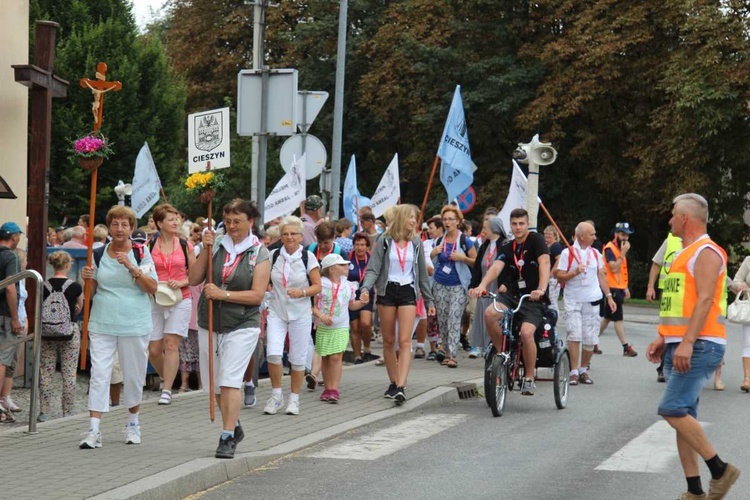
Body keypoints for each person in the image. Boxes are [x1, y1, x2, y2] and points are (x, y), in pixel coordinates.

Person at [646, 193, 740, 499]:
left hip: (701, 344)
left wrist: (686, 343)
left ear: (685, 218)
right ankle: (694, 491)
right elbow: (679, 302)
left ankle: (720, 470)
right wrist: (665, 337)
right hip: (681, 343)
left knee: (672, 409)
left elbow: (705, 300)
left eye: (673, 215)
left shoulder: (707, 252)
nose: (670, 220)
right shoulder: (683, 253)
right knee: (684, 419)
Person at [189, 199, 270, 459]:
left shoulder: (260, 253)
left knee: (229, 380)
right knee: (213, 387)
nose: (233, 226)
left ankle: (226, 438)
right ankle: (234, 425)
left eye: (238, 221)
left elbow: (257, 296)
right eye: (229, 221)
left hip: (242, 323)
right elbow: (193, 279)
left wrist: (222, 294)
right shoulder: (215, 245)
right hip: (210, 321)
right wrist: (206, 248)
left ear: (251, 222)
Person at [79, 206, 158, 449]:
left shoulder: (141, 252)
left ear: (132, 228)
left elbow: (152, 287)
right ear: (109, 227)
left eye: (125, 225)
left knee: (133, 375)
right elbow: (90, 293)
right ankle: (94, 429)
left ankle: (133, 423)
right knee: (99, 374)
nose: (120, 229)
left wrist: (132, 268)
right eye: (115, 224)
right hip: (103, 321)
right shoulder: (99, 254)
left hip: (134, 323)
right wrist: (87, 279)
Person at [469, 208, 550, 396]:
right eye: (514, 224)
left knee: (526, 332)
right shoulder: (508, 245)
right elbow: (496, 267)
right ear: (510, 225)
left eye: (521, 223)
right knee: (489, 314)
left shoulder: (536, 240)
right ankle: (502, 354)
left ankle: (529, 377)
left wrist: (542, 289)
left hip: (533, 297)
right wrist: (482, 285)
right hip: (513, 295)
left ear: (527, 223)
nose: (518, 227)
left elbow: (545, 263)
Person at [360, 204, 435, 404]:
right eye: (411, 217)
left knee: (404, 341)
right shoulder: (384, 241)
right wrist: (365, 288)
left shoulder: (416, 242)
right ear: (401, 218)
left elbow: (421, 275)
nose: (414, 221)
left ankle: (401, 386)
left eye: (415, 218)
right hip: (387, 291)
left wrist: (429, 300)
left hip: (408, 291)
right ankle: (393, 382)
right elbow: (373, 269)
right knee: (388, 341)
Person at [263, 216, 322, 416]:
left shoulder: (308, 257)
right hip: (277, 311)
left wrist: (302, 292)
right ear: (280, 236)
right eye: (285, 234)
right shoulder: (273, 256)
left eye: (293, 234)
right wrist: (267, 290)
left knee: (297, 359)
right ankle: (276, 394)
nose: (289, 237)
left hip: (300, 313)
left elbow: (317, 286)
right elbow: (265, 279)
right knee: (273, 353)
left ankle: (294, 399)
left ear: (300, 236)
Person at [554, 222, 617, 385]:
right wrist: (575, 272)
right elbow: (559, 276)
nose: (595, 237)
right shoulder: (567, 253)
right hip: (573, 300)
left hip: (592, 300)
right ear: (582, 236)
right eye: (592, 234)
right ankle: (573, 371)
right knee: (574, 335)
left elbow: (602, 276)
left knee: (590, 339)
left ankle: (583, 370)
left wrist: (609, 296)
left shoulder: (596, 254)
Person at [147, 203, 197, 406]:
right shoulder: (149, 245)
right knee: (154, 350)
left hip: (180, 297)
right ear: (159, 223)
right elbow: (143, 270)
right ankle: (170, 374)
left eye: (177, 218)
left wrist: (183, 281)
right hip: (156, 298)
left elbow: (194, 275)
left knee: (171, 344)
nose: (176, 222)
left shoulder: (186, 245)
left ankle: (166, 389)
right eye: (171, 219)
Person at [313, 254, 367, 403]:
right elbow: (312, 306)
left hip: (341, 326)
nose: (346, 268)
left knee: (336, 356)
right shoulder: (320, 284)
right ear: (331, 269)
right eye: (342, 265)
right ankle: (327, 388)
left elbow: (352, 305)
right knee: (326, 356)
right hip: (325, 327)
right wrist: (321, 316)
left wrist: (362, 303)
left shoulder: (348, 285)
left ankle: (334, 389)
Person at [38, 251, 83, 422]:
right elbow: (79, 307)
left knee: (46, 372)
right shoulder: (75, 286)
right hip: (69, 333)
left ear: (53, 265)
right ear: (68, 265)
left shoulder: (43, 285)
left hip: (47, 334)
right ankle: (67, 411)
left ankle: (44, 411)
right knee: (69, 373)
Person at [429, 205, 477, 368]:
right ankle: (446, 352)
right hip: (440, 284)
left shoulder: (465, 240)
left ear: (458, 222)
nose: (447, 222)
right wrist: (433, 253)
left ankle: (453, 355)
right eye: (445, 219)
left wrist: (462, 258)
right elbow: (430, 262)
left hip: (458, 284)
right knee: (442, 320)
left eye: (451, 219)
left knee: (454, 318)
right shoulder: (438, 241)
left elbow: (475, 261)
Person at [647, 232, 683, 383]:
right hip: (668, 292)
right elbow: (657, 263)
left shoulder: (698, 242)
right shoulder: (670, 241)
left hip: (686, 293)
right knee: (666, 329)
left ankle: (679, 366)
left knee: (683, 330)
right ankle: (663, 367)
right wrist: (650, 287)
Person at [468, 216, 505, 359]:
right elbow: (478, 268)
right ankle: (480, 345)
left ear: (494, 229)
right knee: (481, 315)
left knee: (495, 317)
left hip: (498, 287)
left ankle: (495, 345)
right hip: (484, 287)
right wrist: (473, 285)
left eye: (485, 228)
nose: (482, 231)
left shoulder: (505, 245)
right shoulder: (484, 246)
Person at [599, 222, 638, 357]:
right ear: (616, 234)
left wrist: (625, 286)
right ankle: (626, 347)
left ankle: (591, 342)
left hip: (618, 287)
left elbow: (620, 271)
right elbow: (614, 268)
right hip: (612, 288)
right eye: (622, 234)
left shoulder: (620, 249)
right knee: (618, 318)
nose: (625, 238)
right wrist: (622, 254)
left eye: (627, 235)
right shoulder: (610, 249)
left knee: (607, 318)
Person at [0, 222, 22, 423]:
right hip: (4, 315)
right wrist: (15, 317)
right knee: (3, 359)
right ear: (14, 237)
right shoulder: (10, 257)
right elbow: (10, 287)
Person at [348, 232, 375, 364]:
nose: (360, 248)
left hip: (367, 292)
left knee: (365, 323)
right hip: (352, 293)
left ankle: (367, 348)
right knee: (354, 326)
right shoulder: (348, 258)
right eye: (357, 244)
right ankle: (357, 355)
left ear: (367, 246)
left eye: (363, 245)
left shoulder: (372, 258)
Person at [729, 254, 750, 393]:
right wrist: (742, 286)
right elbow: (735, 281)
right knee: (748, 343)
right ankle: (747, 379)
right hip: (749, 307)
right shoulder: (749, 260)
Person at [544, 225, 563, 311]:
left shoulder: (556, 246)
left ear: (555, 235)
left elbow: (559, 259)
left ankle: (553, 321)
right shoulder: (545, 246)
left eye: (549, 234)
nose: (547, 236)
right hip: (546, 277)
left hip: (553, 278)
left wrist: (552, 272)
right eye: (546, 234)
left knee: (552, 302)